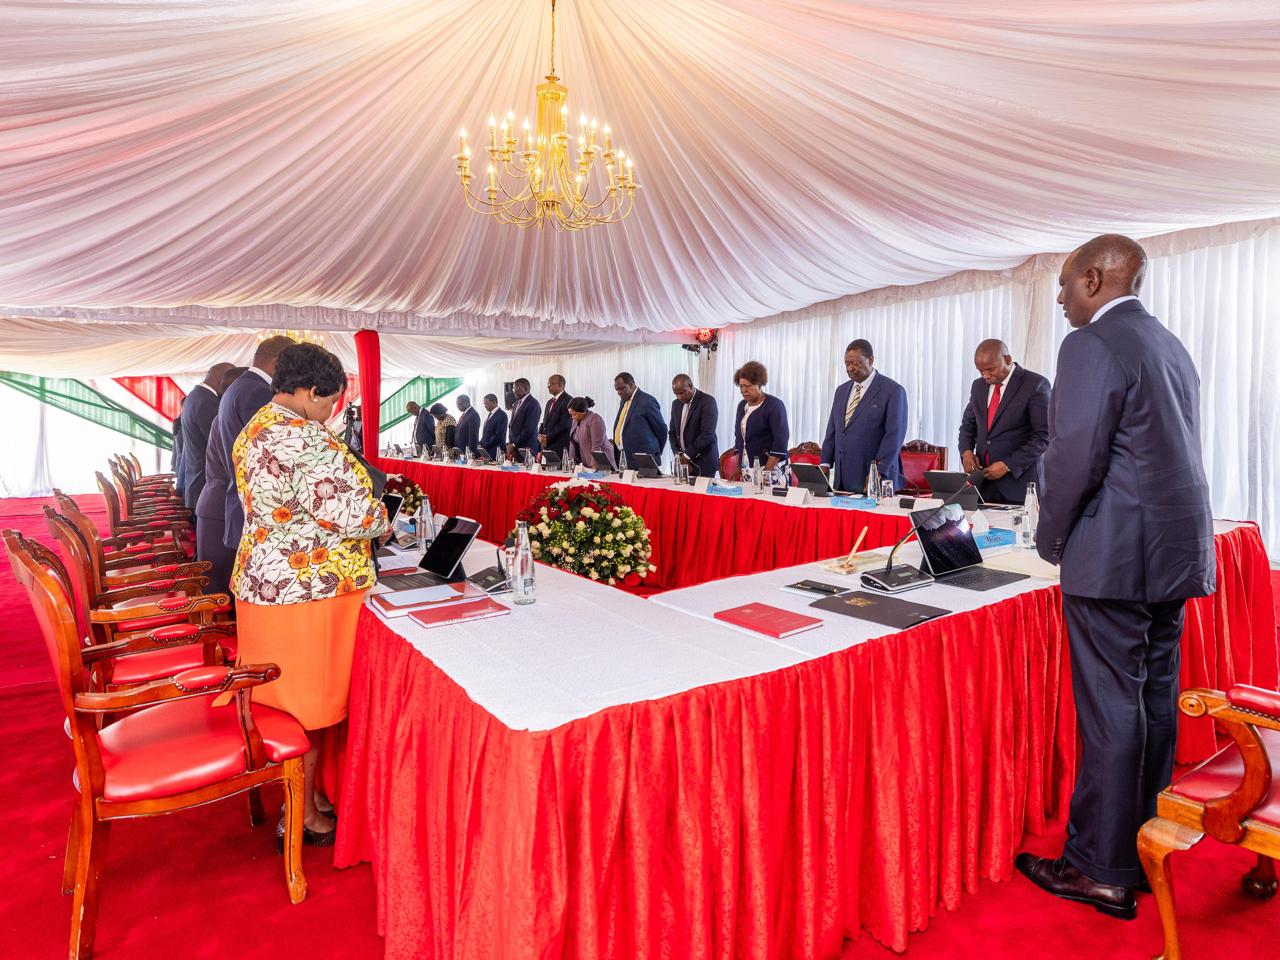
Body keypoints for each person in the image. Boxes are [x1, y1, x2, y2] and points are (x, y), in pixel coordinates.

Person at [1015, 235, 1215, 920]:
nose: (1063, 299)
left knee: (1109, 713)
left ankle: (1097, 871)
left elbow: (1074, 457)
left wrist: (1051, 539)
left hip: (1113, 558)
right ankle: (1135, 848)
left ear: (1095, 279)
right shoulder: (1168, 343)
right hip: (1172, 551)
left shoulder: (1089, 345)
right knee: (1152, 704)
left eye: (1066, 286)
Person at [230, 342, 391, 847]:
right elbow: (353, 514)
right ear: (307, 392)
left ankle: (308, 797)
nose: (331, 413)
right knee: (308, 706)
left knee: (285, 704)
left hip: (264, 580)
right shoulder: (304, 439)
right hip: (310, 589)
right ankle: (300, 816)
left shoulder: (256, 427)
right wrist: (382, 516)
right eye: (330, 403)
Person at [196, 336, 295, 594]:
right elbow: (266, 457)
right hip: (245, 503)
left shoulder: (238, 387)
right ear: (278, 363)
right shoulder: (258, 392)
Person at [957, 339, 1051, 504]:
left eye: (990, 369)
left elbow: (1044, 436)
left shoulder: (1035, 384)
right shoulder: (978, 386)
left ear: (1007, 360)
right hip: (983, 486)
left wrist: (1008, 465)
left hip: (1019, 486)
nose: (985, 376)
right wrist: (966, 451)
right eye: (980, 371)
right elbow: (968, 425)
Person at [820, 339, 908, 492]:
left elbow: (894, 436)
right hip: (843, 479)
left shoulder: (893, 391)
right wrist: (825, 463)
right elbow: (833, 430)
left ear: (871, 360)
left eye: (855, 363)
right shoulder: (841, 391)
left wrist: (878, 471)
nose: (850, 368)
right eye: (846, 364)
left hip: (876, 479)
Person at [181, 361, 235, 511]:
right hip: (205, 486)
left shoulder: (195, 396)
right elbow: (219, 445)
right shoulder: (206, 401)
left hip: (196, 482)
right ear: (221, 379)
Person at [668, 373, 719, 479]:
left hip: (703, 463)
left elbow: (707, 434)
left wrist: (686, 456)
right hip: (683, 463)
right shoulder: (676, 404)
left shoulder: (707, 401)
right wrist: (679, 456)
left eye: (682, 393)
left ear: (690, 386)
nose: (679, 397)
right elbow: (672, 433)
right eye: (676, 394)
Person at [610, 372, 666, 466]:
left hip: (644, 459)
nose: (619, 392)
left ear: (631, 385)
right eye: (617, 390)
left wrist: (655, 452)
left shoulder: (647, 400)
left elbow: (662, 430)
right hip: (624, 458)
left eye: (622, 388)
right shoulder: (623, 400)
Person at [567, 396, 613, 468]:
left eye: (574, 414)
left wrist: (594, 465)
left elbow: (596, 445)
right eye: (571, 414)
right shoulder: (575, 420)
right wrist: (570, 462)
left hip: (601, 463)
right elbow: (572, 442)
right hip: (585, 462)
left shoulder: (595, 419)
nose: (572, 417)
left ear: (583, 412)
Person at [537, 374, 574, 460]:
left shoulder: (568, 400)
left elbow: (565, 425)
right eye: (548, 384)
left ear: (561, 385)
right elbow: (544, 422)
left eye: (551, 384)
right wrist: (540, 435)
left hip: (559, 445)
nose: (548, 386)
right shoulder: (550, 402)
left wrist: (547, 437)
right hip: (546, 445)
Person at [506, 378, 540, 459]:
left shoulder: (533, 404)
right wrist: (511, 444)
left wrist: (514, 444)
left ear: (525, 388)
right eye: (513, 389)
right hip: (515, 448)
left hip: (527, 448)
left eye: (516, 389)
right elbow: (512, 425)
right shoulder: (516, 403)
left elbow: (529, 429)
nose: (513, 391)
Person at [479, 393, 508, 460]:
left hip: (495, 451)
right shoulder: (490, 414)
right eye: (484, 404)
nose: (485, 406)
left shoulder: (501, 415)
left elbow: (498, 435)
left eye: (487, 404)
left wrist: (485, 445)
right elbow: (487, 433)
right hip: (487, 450)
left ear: (494, 403)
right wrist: (480, 443)